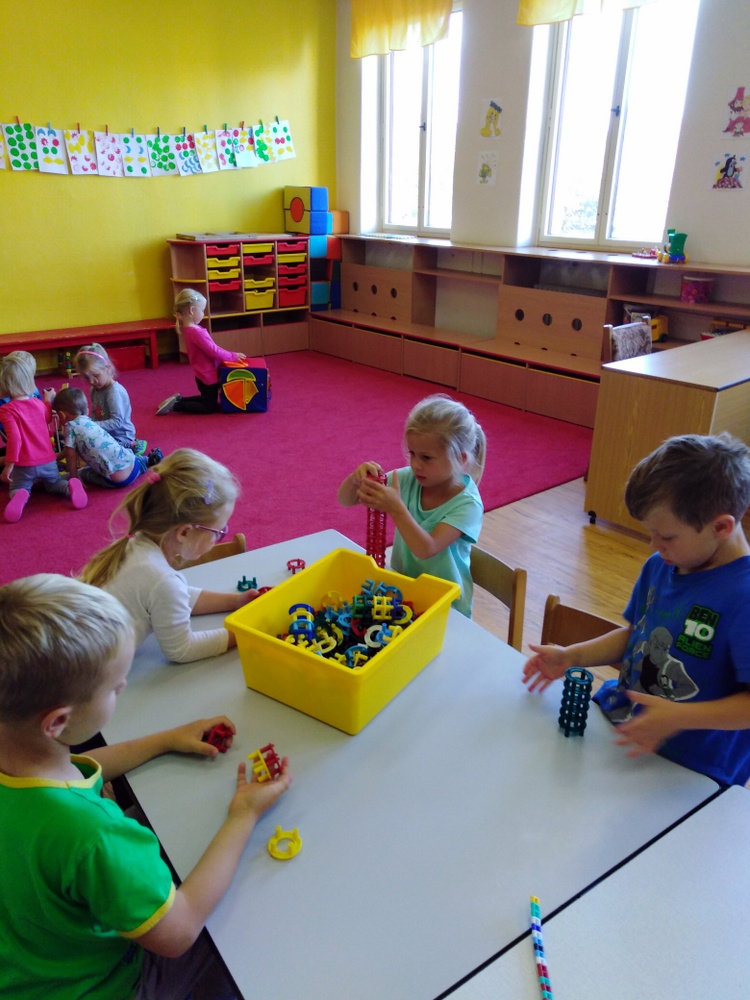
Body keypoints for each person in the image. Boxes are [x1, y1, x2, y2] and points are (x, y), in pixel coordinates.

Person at [0, 573, 291, 1000]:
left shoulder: (19, 753)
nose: (122, 689)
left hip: (26, 967)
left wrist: (165, 739)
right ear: (58, 721)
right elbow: (179, 931)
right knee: (239, 936)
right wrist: (243, 814)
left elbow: (76, 770)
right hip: (103, 986)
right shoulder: (94, 836)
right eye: (115, 688)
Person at [522, 432, 750, 787]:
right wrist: (572, 656)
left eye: (667, 536)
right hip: (626, 733)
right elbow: (635, 635)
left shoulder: (743, 597)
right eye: (651, 533)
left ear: (721, 527)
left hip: (694, 771)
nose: (653, 545)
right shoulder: (661, 565)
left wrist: (678, 717)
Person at [79, 448, 259, 663]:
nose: (219, 537)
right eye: (218, 532)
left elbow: (180, 596)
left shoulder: (137, 545)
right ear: (184, 532)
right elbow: (182, 649)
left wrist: (235, 601)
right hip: (91, 670)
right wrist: (245, 632)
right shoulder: (162, 580)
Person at [338, 393, 486, 616]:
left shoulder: (467, 505)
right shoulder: (409, 479)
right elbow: (346, 499)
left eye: (426, 458)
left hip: (446, 608)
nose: (416, 464)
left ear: (461, 459)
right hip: (403, 596)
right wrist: (356, 479)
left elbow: (426, 549)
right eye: (412, 453)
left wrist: (396, 508)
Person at [0, 350, 87, 523]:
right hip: (48, 460)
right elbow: (47, 418)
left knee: (17, 487)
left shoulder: (6, 410)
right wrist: (48, 400)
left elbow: (15, 439)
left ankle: (21, 494)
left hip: (24, 464)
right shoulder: (39, 404)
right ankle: (69, 487)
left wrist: (9, 466)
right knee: (54, 484)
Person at [156, 289, 246, 415]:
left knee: (206, 399)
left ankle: (179, 400)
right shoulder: (196, 333)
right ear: (192, 310)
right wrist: (233, 356)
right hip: (207, 374)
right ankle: (176, 406)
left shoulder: (191, 329)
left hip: (202, 373)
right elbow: (214, 351)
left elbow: (213, 348)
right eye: (202, 310)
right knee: (208, 407)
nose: (203, 314)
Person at [51, 387, 160, 489]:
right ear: (87, 410)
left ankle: (62, 479)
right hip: (133, 465)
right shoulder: (90, 422)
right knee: (120, 454)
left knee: (85, 472)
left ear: (62, 415)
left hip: (116, 481)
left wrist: (74, 477)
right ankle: (146, 461)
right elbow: (68, 450)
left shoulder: (69, 427)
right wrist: (56, 457)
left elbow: (70, 456)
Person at [75, 342, 147, 454]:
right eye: (86, 377)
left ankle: (134, 449)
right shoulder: (94, 389)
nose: (91, 381)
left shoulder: (114, 393)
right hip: (106, 433)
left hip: (122, 436)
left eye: (96, 375)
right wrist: (88, 427)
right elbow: (95, 413)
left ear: (107, 368)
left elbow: (117, 421)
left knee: (101, 453)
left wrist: (92, 426)